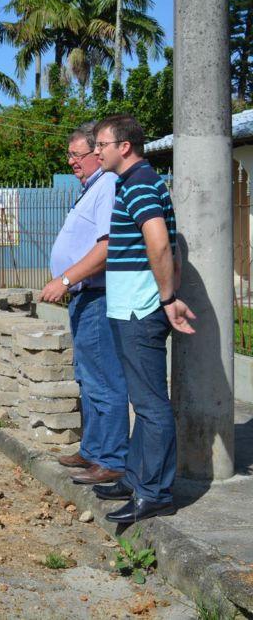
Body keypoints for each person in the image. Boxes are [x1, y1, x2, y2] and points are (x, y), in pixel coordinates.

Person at [90, 114, 195, 523]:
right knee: (142, 402)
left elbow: (159, 243)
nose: (97, 151)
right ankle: (134, 480)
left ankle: (155, 492)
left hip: (140, 310)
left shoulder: (141, 185)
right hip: (128, 308)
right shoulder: (132, 184)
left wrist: (167, 298)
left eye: (102, 144)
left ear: (125, 147)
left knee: (151, 406)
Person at [39, 122, 129, 487]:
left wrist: (65, 279)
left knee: (104, 379)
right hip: (83, 297)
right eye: (70, 155)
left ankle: (112, 458)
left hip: (95, 294)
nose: (72, 162)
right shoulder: (91, 188)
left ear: (98, 152)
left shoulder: (106, 185)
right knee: (87, 378)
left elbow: (105, 248)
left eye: (78, 155)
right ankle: (93, 451)